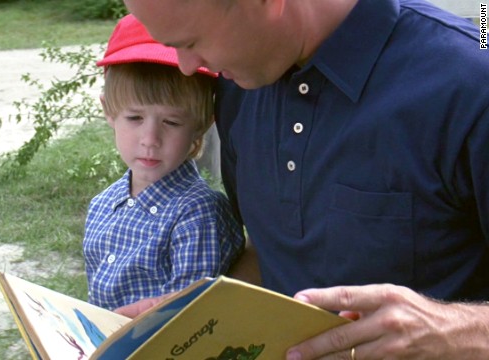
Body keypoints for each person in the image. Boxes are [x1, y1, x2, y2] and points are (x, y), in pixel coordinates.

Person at [121, 0, 489, 358]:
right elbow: (272, 249)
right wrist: (195, 317)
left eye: (190, 42)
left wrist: (454, 329)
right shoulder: (238, 90)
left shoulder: (470, 84)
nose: (187, 67)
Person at [82, 14, 245, 311]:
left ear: (202, 124)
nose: (150, 138)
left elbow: (186, 323)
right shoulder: (103, 205)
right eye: (134, 118)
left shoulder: (198, 215)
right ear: (108, 111)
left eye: (171, 121)